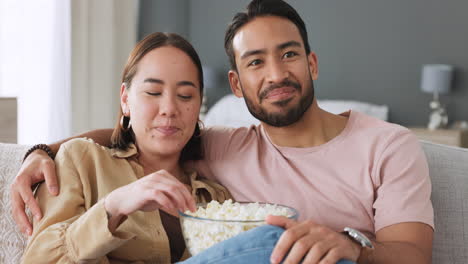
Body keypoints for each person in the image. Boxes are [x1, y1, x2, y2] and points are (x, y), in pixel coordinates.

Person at [12, 0, 434, 263]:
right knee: (274, 239)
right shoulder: (225, 145)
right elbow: (146, 133)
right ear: (236, 85)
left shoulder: (387, 145)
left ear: (312, 64)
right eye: (254, 62)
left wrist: (353, 249)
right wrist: (39, 150)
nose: (275, 74)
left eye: (288, 54)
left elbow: (415, 255)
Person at [19, 32, 231, 263]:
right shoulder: (82, 160)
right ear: (125, 99)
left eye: (185, 95)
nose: (169, 108)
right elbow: (38, 259)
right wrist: (114, 206)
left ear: (199, 103)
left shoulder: (215, 198)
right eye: (153, 92)